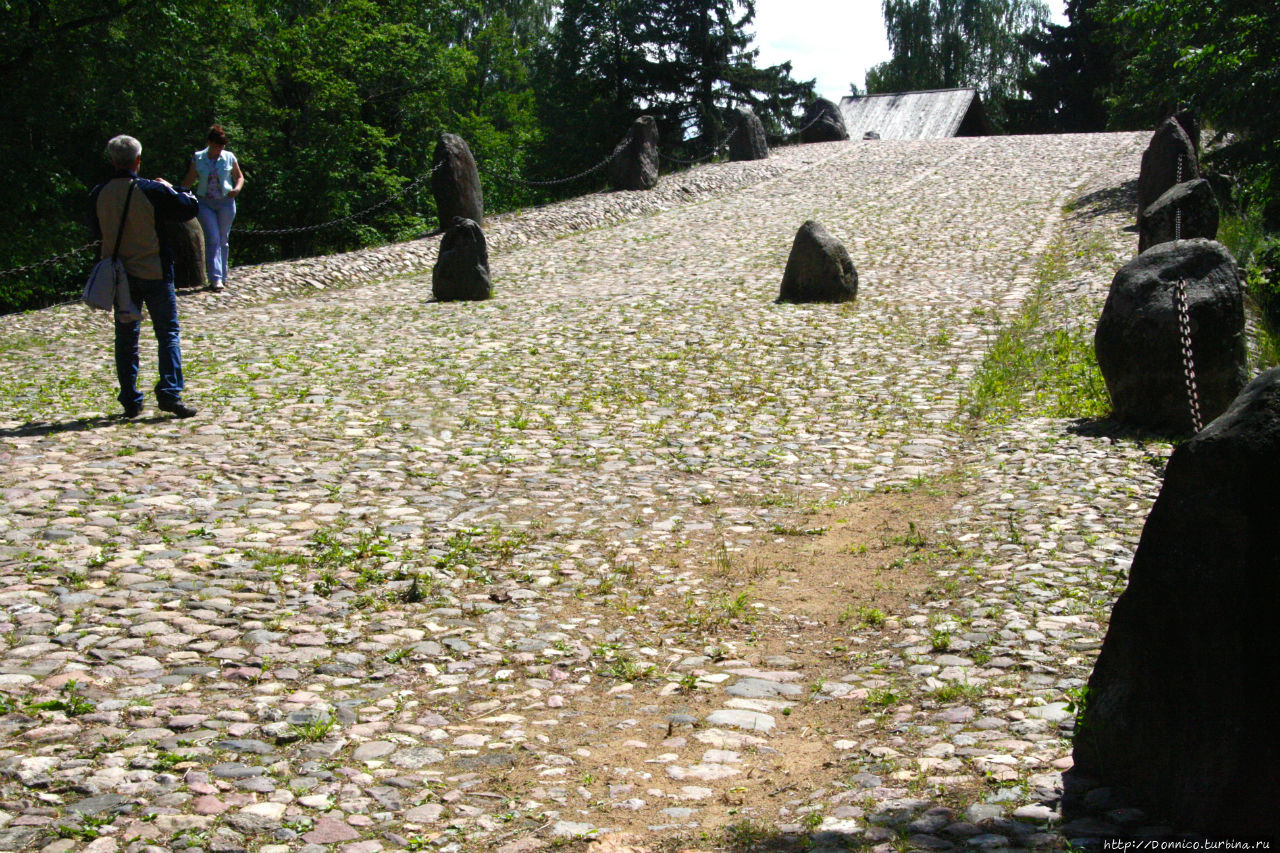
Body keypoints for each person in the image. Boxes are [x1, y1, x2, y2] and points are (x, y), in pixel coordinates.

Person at [89, 134, 200, 419]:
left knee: (125, 337)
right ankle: (169, 393)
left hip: (120, 277)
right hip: (155, 271)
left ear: (113, 161)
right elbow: (188, 208)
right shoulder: (151, 190)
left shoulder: (97, 193)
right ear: (138, 160)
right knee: (168, 334)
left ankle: (130, 399)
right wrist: (173, 188)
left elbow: (94, 230)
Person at [182, 125, 244, 292]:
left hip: (226, 202)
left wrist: (237, 189)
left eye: (222, 146)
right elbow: (189, 179)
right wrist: (178, 193)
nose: (219, 149)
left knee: (223, 239)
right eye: (217, 146)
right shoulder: (198, 158)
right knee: (213, 238)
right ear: (209, 143)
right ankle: (215, 278)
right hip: (205, 203)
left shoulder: (229, 157)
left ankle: (223, 275)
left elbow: (239, 177)